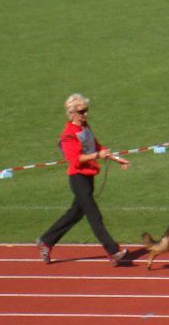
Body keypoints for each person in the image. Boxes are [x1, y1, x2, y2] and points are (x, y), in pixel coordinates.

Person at [37, 94, 130, 266]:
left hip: (88, 176)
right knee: (94, 215)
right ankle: (113, 251)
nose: (85, 114)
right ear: (71, 113)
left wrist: (117, 159)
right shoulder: (68, 135)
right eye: (81, 111)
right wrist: (97, 155)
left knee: (75, 214)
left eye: (86, 110)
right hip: (77, 178)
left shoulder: (85, 127)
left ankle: (46, 241)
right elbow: (74, 159)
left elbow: (97, 146)